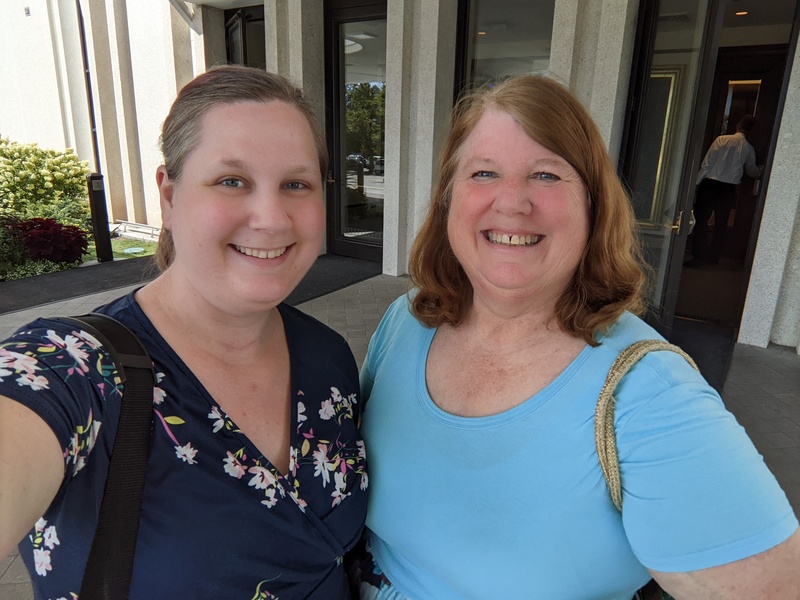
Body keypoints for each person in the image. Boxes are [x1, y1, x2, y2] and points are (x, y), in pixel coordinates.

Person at [356, 76, 799, 599]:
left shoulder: (651, 393)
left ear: (593, 207)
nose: (513, 201)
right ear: (449, 199)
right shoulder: (406, 321)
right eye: (484, 173)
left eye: (546, 174)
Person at [0, 65, 368, 599]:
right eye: (232, 181)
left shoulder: (328, 358)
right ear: (169, 197)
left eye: (296, 184)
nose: (271, 218)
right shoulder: (72, 370)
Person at [685, 115, 761, 267]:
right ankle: (713, 258)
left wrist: (695, 183)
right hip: (728, 189)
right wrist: (760, 173)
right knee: (721, 224)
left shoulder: (721, 140)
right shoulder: (748, 148)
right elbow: (751, 171)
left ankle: (698, 257)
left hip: (710, 185)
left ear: (738, 125)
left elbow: (707, 164)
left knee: (701, 221)